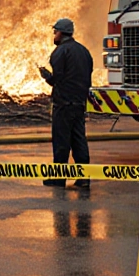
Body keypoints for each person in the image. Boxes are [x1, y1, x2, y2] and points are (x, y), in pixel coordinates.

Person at [39, 17, 93, 189]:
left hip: (63, 104)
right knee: (79, 140)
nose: (54, 34)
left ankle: (58, 178)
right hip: (79, 103)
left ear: (61, 33)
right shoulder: (84, 52)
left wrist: (47, 76)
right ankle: (84, 178)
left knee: (61, 142)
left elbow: (58, 80)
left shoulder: (60, 52)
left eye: (55, 32)